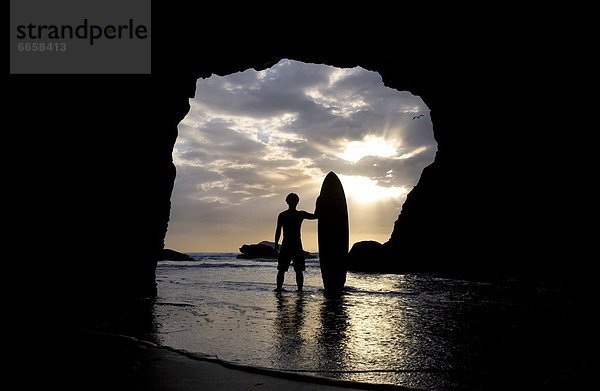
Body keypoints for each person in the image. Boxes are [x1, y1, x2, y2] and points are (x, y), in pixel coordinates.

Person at [274, 193, 317, 292]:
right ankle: (282, 288)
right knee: (283, 269)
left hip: (292, 245)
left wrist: (319, 205)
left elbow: (315, 216)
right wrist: (276, 243)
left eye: (294, 200)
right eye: (291, 200)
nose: (293, 202)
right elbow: (278, 230)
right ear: (288, 202)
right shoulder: (286, 215)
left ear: (297, 202)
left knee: (297, 270)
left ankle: (298, 289)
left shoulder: (297, 214)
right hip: (290, 244)